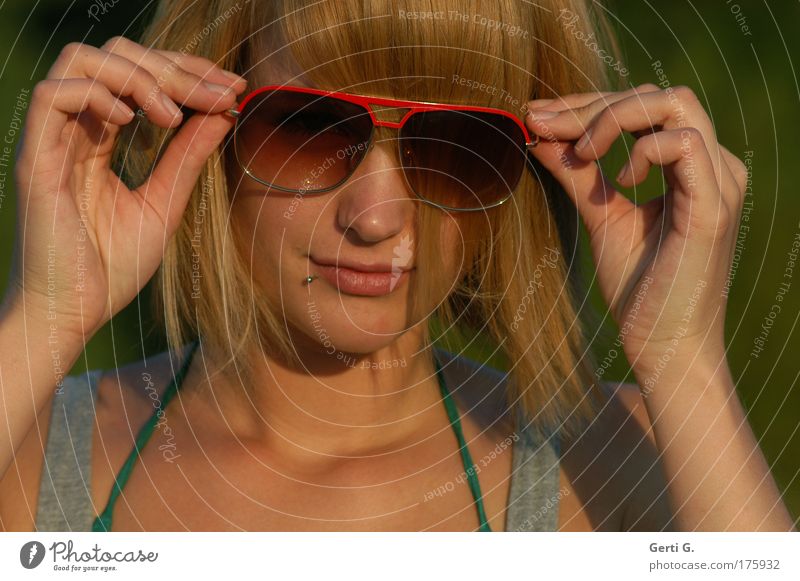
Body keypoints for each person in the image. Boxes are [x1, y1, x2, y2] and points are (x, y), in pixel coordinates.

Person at [0, 0, 794, 532]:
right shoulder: (36, 455)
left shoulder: (622, 456)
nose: (378, 218)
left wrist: (684, 359)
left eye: (457, 146)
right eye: (308, 127)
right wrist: (46, 313)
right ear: (210, 124)